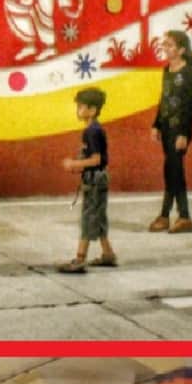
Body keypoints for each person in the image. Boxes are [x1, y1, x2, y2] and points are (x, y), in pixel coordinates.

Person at [57, 87, 115, 273]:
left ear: (92, 110)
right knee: (98, 217)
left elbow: (97, 159)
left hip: (95, 180)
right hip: (98, 177)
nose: (78, 110)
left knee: (89, 217)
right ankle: (108, 254)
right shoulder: (94, 130)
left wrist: (74, 164)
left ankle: (80, 258)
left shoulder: (92, 131)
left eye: (82, 107)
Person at [149, 30, 192, 234]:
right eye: (165, 44)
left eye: (170, 45)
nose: (165, 48)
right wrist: (156, 124)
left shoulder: (189, 72)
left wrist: (184, 133)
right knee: (171, 171)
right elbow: (164, 99)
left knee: (175, 170)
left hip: (180, 130)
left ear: (181, 49)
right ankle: (168, 216)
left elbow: (190, 105)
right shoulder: (167, 69)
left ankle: (181, 216)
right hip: (167, 127)